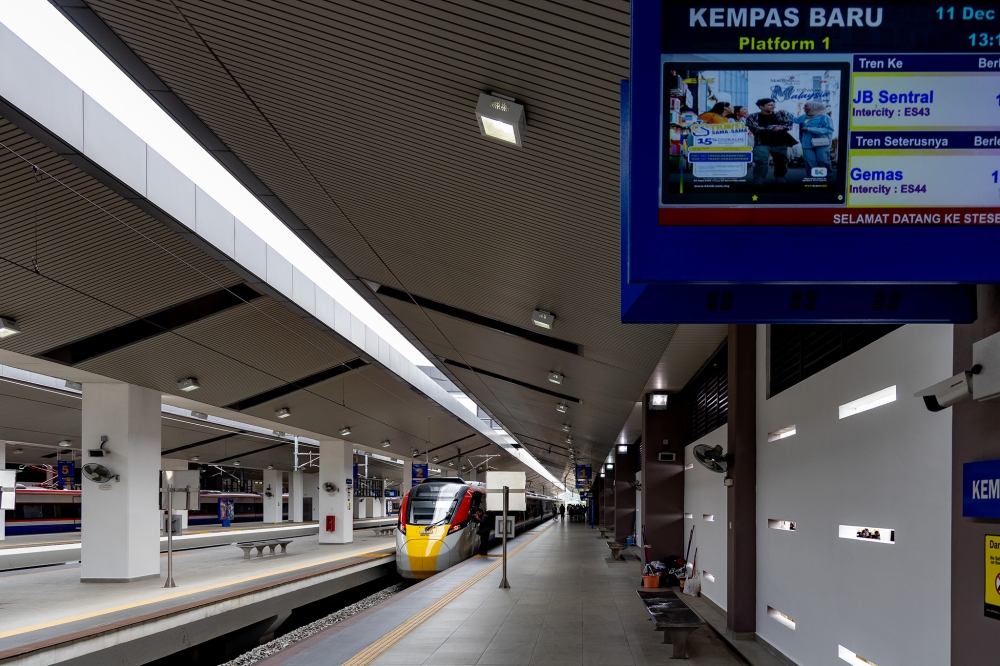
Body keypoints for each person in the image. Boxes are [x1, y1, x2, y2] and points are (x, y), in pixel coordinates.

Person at [745, 98, 796, 184]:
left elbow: (789, 125)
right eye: (769, 105)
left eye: (773, 104)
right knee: (761, 161)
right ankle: (759, 177)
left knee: (781, 161)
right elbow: (754, 128)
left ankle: (780, 176)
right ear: (761, 106)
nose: (773, 106)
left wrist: (780, 127)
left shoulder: (780, 114)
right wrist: (773, 128)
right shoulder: (753, 116)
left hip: (780, 141)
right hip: (761, 142)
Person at [791, 102, 833, 179]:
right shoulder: (805, 116)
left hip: (821, 142)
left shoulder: (824, 117)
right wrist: (785, 112)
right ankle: (812, 178)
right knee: (809, 161)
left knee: (822, 160)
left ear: (814, 107)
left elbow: (829, 129)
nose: (804, 108)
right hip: (806, 142)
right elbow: (795, 120)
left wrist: (810, 129)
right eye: (804, 107)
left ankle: (826, 176)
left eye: (806, 106)